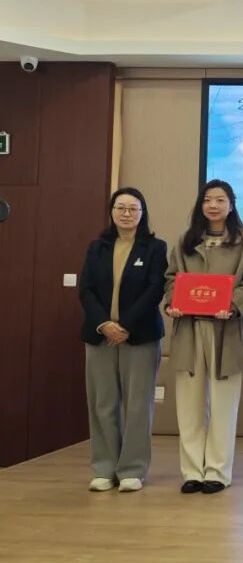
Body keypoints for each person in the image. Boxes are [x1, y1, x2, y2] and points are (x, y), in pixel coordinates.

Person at [164, 180, 243, 494]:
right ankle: (192, 471)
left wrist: (232, 305)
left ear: (231, 205)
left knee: (224, 405)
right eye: (208, 200)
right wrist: (172, 302)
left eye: (220, 200)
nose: (213, 205)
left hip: (228, 330)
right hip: (190, 328)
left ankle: (218, 472)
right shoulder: (186, 240)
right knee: (189, 405)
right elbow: (171, 278)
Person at [78, 187, 167, 492]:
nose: (127, 213)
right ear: (112, 211)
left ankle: (132, 469)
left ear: (142, 213)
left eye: (133, 208)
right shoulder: (97, 247)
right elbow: (86, 289)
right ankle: (104, 468)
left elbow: (155, 289)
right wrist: (105, 324)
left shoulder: (155, 247)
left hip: (139, 337)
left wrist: (125, 325)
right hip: (100, 336)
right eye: (121, 208)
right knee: (102, 403)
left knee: (138, 405)